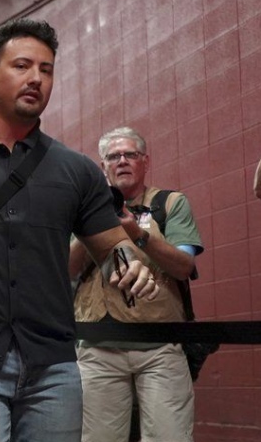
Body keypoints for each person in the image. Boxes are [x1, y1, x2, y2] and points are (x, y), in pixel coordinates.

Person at [0, 18, 159, 442]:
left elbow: (112, 246)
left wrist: (131, 263)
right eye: (21, 66)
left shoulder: (75, 170)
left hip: (53, 365)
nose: (36, 78)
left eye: (46, 69)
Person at [71, 127, 202, 442]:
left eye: (130, 154)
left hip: (159, 345)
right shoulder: (81, 210)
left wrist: (138, 234)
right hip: (98, 345)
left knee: (169, 436)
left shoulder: (169, 204)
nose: (122, 161)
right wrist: (93, 223)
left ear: (145, 161)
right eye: (113, 157)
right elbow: (66, 269)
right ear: (103, 167)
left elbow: (184, 267)